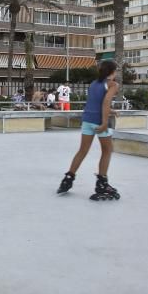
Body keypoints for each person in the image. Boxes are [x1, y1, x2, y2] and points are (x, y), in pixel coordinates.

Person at [57, 59, 121, 201]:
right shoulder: (112, 84)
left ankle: (68, 178)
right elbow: (105, 102)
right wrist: (104, 122)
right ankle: (102, 184)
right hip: (99, 122)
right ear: (112, 71)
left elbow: (95, 103)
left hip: (87, 120)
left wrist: (111, 111)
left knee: (82, 151)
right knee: (107, 151)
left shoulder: (93, 84)